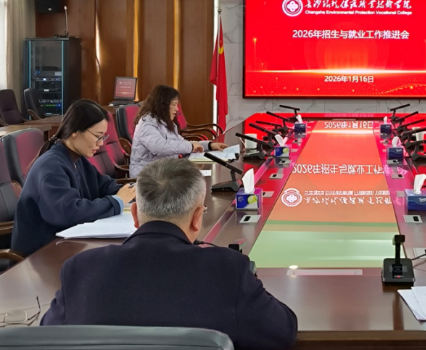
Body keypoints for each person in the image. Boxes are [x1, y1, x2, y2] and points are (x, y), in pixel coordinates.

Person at [42, 158, 298, 349]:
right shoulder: (228, 270)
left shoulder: (80, 270)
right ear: (197, 218)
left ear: (135, 216)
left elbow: (47, 335)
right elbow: (283, 332)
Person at [11, 100, 137, 257]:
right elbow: (68, 213)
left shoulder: (77, 159)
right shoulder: (51, 165)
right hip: (40, 255)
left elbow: (104, 186)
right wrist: (117, 201)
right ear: (75, 131)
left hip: (67, 245)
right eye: (98, 136)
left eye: (104, 137)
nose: (101, 143)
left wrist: (136, 192)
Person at [130, 85, 228, 177]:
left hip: (163, 171)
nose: (177, 109)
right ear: (162, 105)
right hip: (147, 176)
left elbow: (181, 143)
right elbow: (160, 147)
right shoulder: (146, 124)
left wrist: (209, 145)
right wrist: (191, 147)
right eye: (174, 104)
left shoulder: (166, 123)